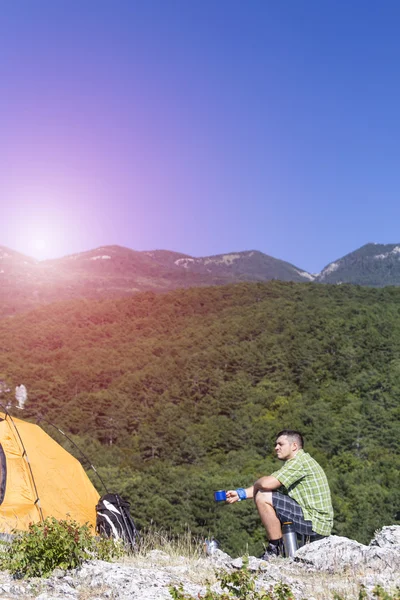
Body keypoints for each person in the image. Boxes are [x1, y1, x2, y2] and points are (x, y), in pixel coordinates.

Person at [226, 430, 333, 559]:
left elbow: (266, 484)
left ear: (294, 446)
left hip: (315, 522)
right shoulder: (298, 462)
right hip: (315, 521)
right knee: (264, 493)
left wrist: (258, 482)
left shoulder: (299, 462)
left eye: (280, 444)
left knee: (263, 495)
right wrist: (240, 494)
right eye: (276, 444)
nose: (276, 448)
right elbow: (270, 486)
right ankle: (278, 548)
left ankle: (275, 549)